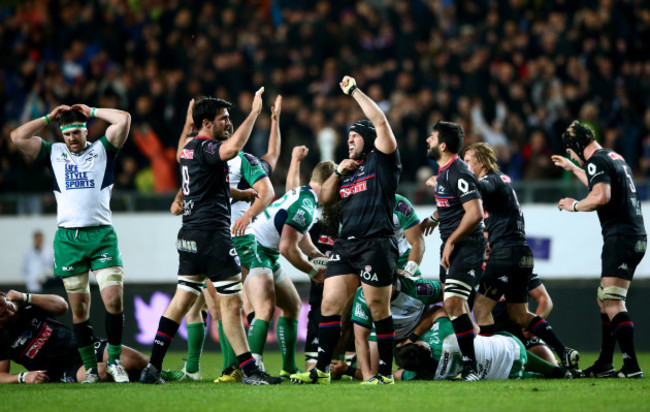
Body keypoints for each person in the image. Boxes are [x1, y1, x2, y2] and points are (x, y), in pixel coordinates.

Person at [139, 89, 281, 385]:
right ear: (207, 123)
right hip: (213, 236)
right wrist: (254, 113)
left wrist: (239, 192)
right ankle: (250, 370)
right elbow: (232, 148)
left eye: (230, 119)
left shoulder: (189, 148)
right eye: (224, 119)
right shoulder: (207, 148)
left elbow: (207, 181)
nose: (228, 124)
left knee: (182, 301)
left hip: (189, 235)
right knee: (232, 304)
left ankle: (152, 367)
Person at [291, 75, 402, 385]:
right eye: (348, 136)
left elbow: (380, 122)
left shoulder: (382, 161)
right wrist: (339, 171)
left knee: (378, 307)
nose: (350, 140)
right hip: (346, 246)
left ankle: (383, 374)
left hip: (375, 244)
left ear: (368, 138)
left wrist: (354, 91)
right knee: (328, 305)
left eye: (355, 136)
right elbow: (324, 198)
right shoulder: (348, 172)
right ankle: (322, 371)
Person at [10, 104, 132, 383]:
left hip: (101, 235)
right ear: (62, 135)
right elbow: (17, 137)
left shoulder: (103, 149)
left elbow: (124, 119)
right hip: (68, 239)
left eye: (77, 133)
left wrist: (93, 110)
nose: (72, 139)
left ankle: (114, 362)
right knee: (79, 309)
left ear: (85, 130)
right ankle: (91, 369)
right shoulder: (54, 152)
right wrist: (47, 118)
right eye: (67, 134)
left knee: (113, 300)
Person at [462, 142, 579, 370]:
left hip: (504, 252)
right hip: (523, 254)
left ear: (481, 161)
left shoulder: (491, 179)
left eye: (467, 161)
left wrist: (443, 182)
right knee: (519, 314)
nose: (466, 167)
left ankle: (487, 363)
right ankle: (563, 350)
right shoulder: (503, 181)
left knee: (481, 309)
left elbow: (471, 190)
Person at [552, 121, 646, 379]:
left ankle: (632, 366)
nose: (571, 155)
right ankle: (605, 363)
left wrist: (574, 205)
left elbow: (600, 196)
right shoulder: (612, 156)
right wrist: (573, 169)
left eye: (571, 151)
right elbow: (597, 182)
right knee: (604, 299)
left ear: (579, 146)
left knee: (614, 301)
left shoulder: (597, 160)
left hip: (621, 237)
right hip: (634, 236)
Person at [246, 159, 336, 378]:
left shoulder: (305, 196)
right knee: (265, 308)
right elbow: (288, 248)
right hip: (254, 247)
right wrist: (313, 271)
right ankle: (252, 370)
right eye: (336, 187)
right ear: (326, 185)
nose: (338, 193)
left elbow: (300, 236)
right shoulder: (305, 205)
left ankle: (288, 368)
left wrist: (316, 255)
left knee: (293, 305)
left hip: (267, 251)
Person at [420, 121, 486, 381]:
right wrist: (434, 219)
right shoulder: (445, 173)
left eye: (432, 137)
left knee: (453, 303)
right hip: (452, 247)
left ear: (443, 145)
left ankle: (472, 367)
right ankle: (473, 360)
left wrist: (451, 241)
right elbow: (451, 206)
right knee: (455, 307)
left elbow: (475, 213)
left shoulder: (460, 172)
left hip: (466, 246)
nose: (427, 140)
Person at [393, 306, 574, 381]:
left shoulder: (428, 375)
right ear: (418, 345)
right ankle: (555, 370)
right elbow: (440, 310)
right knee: (501, 342)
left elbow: (395, 375)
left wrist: (368, 374)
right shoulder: (442, 334)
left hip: (507, 375)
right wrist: (411, 337)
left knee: (514, 371)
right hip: (512, 346)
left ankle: (543, 376)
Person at [348, 275, 443, 381]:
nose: (373, 293)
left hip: (413, 333)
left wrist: (410, 339)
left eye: (377, 289)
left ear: (393, 287)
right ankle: (356, 361)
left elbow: (445, 301)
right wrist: (361, 373)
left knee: (434, 360)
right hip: (378, 335)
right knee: (370, 372)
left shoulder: (416, 288)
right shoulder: (363, 294)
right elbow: (360, 337)